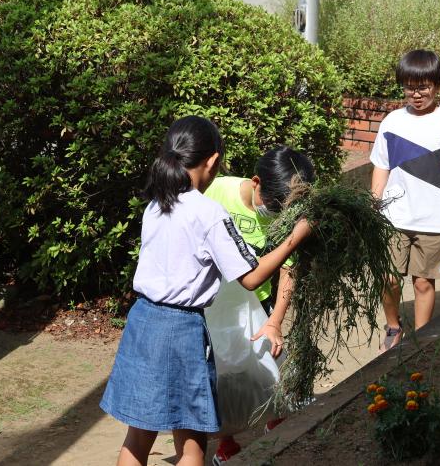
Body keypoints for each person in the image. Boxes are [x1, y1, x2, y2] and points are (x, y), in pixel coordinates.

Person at [99, 116, 311, 466]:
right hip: (180, 331)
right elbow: (252, 277)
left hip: (142, 322)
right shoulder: (209, 213)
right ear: (212, 161)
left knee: (137, 436)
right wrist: (296, 236)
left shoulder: (157, 202)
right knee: (192, 445)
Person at [204, 146, 316, 465]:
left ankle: (275, 426)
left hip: (260, 302)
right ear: (256, 183)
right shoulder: (215, 193)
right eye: (273, 205)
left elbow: (288, 268)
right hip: (213, 305)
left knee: (266, 369)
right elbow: (247, 276)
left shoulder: (290, 213)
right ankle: (227, 444)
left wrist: (275, 321)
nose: (277, 214)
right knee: (224, 375)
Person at [370, 49, 440, 352]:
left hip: (435, 219)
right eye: (410, 86)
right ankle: (393, 325)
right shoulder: (392, 121)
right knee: (388, 276)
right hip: (394, 216)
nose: (416, 94)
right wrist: (374, 204)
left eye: (423, 87)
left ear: (437, 85)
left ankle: (421, 339)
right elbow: (381, 165)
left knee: (423, 282)